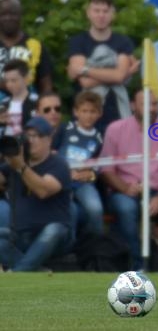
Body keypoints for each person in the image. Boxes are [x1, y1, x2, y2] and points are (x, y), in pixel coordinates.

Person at [99, 88, 158, 273]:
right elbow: (106, 169)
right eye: (145, 103)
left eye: (154, 103)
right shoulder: (115, 129)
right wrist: (126, 188)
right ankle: (137, 267)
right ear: (133, 106)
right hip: (126, 191)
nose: (151, 108)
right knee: (126, 208)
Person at [0, 117, 73, 271]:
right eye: (27, 136)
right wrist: (5, 155)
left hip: (54, 236)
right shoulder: (15, 164)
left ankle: (17, 274)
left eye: (36, 136)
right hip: (20, 232)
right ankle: (36, 270)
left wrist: (21, 167)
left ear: (49, 139)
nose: (30, 140)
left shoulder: (58, 164)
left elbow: (43, 190)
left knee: (53, 230)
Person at [67, 0, 140, 134]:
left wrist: (86, 70)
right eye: (96, 11)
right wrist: (122, 73)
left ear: (113, 14)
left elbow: (118, 76)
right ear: (88, 13)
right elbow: (85, 83)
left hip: (118, 111)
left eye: (105, 11)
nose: (101, 15)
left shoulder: (123, 41)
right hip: (87, 114)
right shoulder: (77, 41)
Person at [53, 91, 104, 238]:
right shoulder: (65, 128)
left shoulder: (99, 138)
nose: (88, 115)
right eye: (84, 111)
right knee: (70, 211)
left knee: (95, 209)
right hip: (61, 180)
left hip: (83, 183)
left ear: (99, 113)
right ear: (76, 112)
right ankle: (70, 245)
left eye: (93, 111)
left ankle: (95, 245)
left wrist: (91, 174)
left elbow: (99, 165)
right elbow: (51, 152)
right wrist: (63, 172)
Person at [0, 59, 38, 136]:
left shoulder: (37, 102)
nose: (9, 84)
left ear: (26, 78)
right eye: (7, 81)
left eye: (13, 80)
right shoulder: (3, 104)